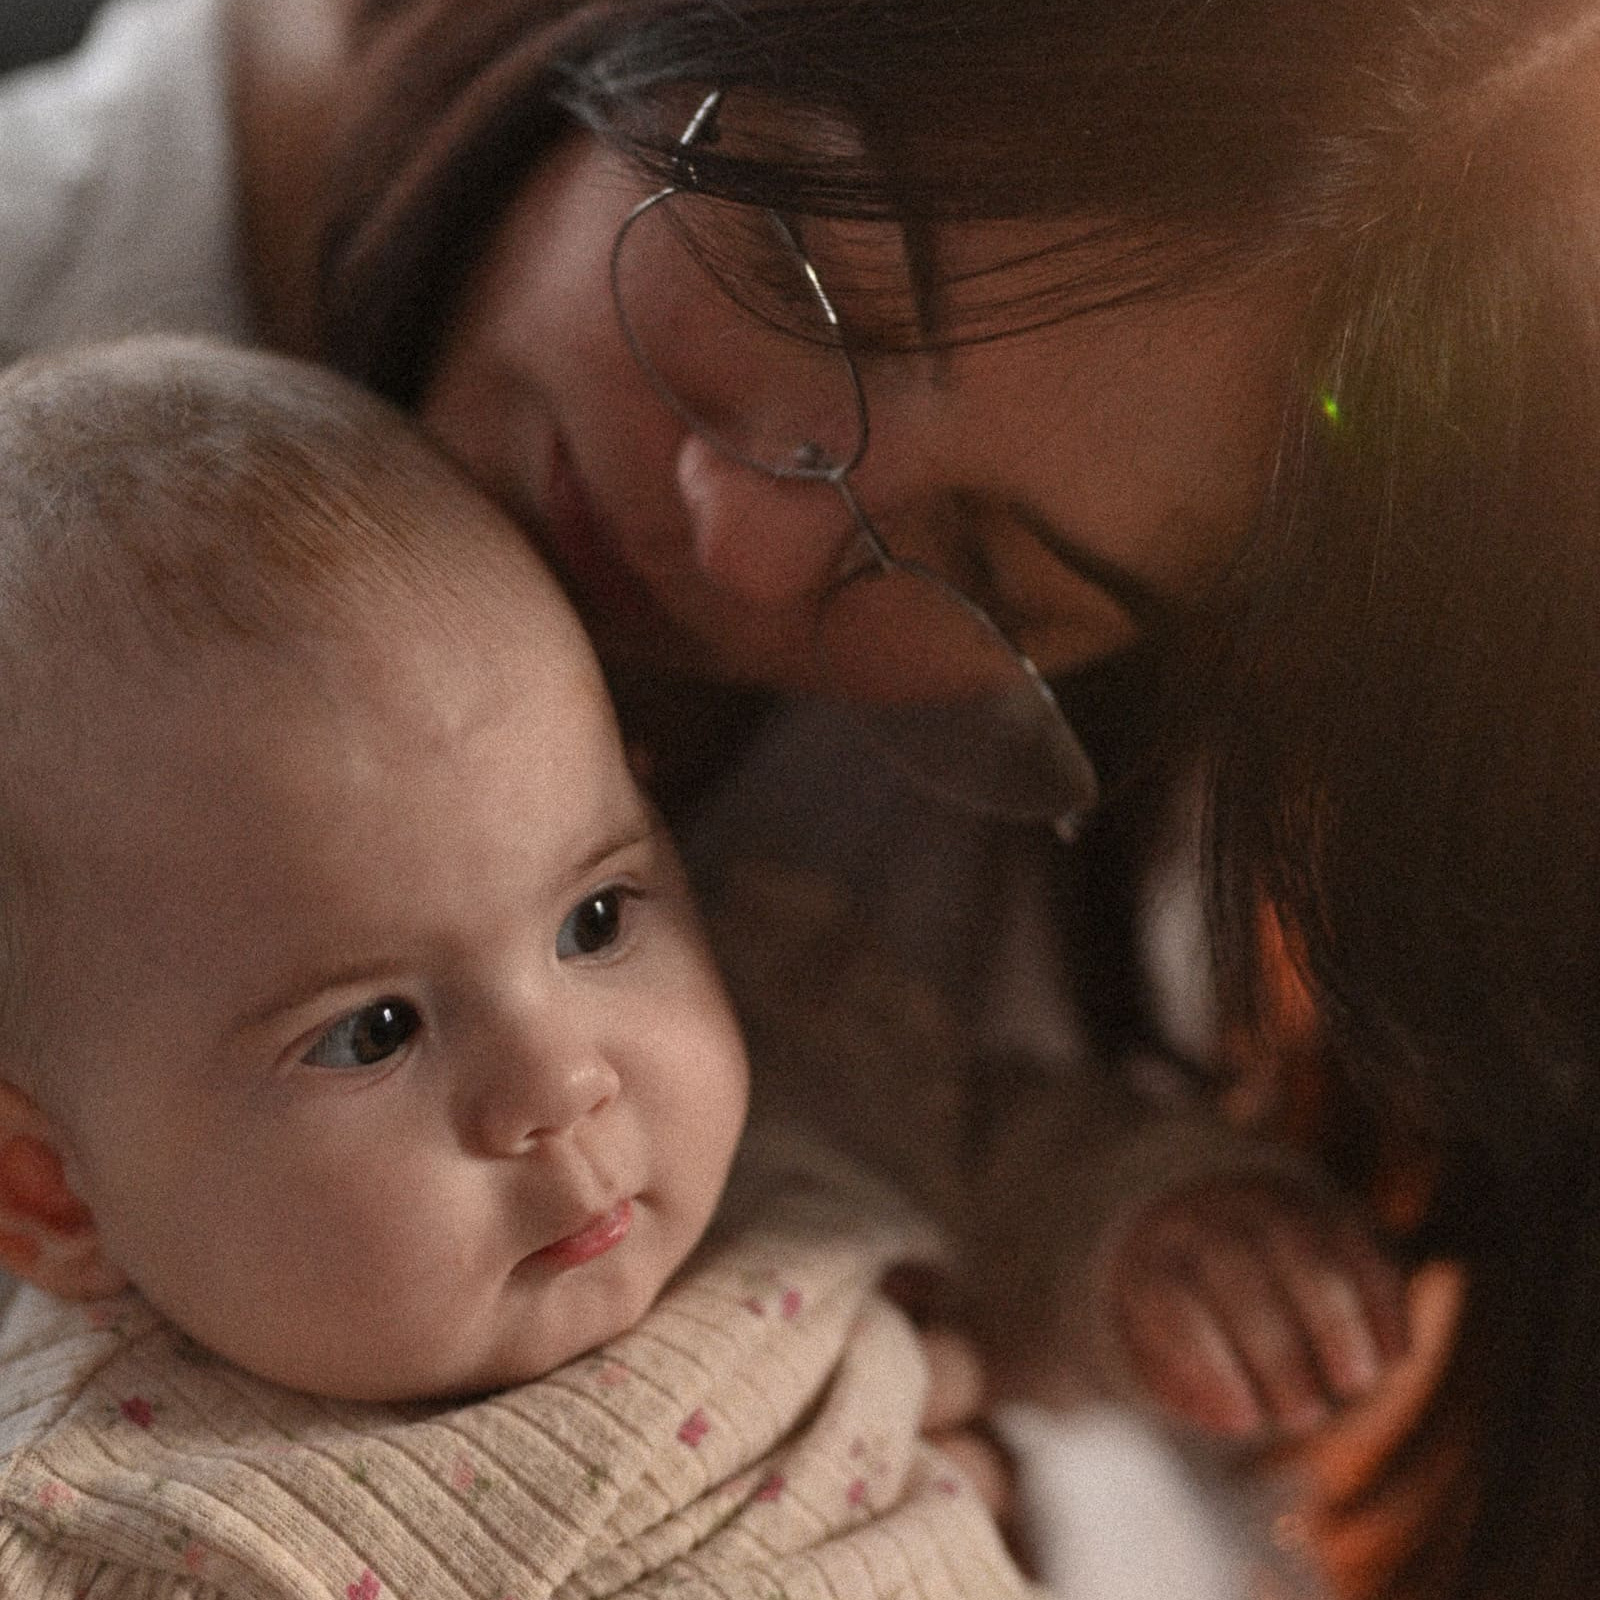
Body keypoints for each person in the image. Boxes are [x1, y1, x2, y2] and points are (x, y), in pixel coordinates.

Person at [4, 2, 1598, 1596]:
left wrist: (1006, 1469)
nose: (746, 550)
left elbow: (989, 1154)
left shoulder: (942, 883)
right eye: (800, 277)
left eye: (986, 575)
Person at [0, 334, 1396, 1597]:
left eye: (595, 921)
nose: (562, 1081)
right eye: (371, 1031)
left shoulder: (804, 1068)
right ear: (49, 1188)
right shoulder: (112, 1520)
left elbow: (1004, 1156)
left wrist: (1157, 1240)